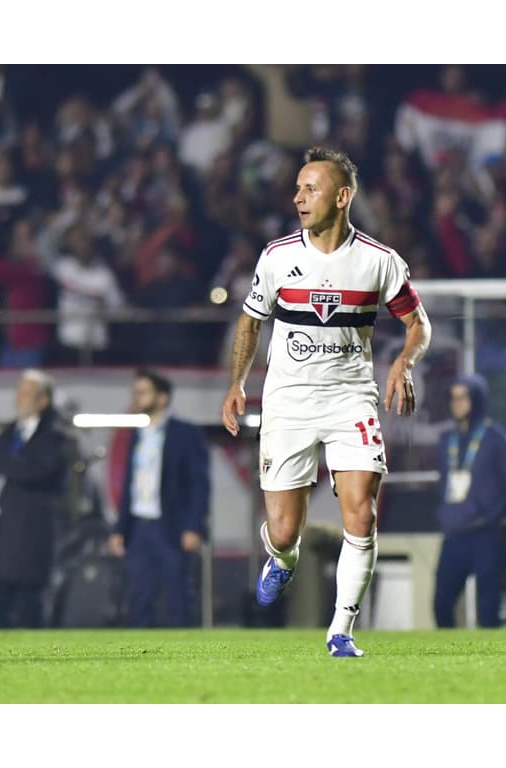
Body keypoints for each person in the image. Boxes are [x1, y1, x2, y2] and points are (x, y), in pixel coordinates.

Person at [221, 147, 432, 657]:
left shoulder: (378, 261)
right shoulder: (276, 257)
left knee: (361, 515)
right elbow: (251, 322)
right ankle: (283, 558)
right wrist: (236, 384)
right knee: (284, 529)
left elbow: (418, 324)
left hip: (350, 400)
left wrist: (404, 360)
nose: (298, 197)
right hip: (288, 401)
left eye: (310, 189)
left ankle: (341, 630)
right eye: (297, 188)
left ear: (343, 197)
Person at [0, 369, 72, 628]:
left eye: (26, 393)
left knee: (27, 602)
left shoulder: (54, 436)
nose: (19, 398)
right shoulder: (11, 432)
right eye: (19, 391)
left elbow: (34, 471)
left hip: (28, 530)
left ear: (43, 401)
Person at [109, 369, 210, 628]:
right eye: (135, 393)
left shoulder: (185, 433)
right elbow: (129, 484)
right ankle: (138, 658)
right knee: (139, 596)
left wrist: (193, 526)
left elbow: (199, 484)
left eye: (143, 392)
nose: (136, 398)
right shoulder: (135, 434)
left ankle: (187, 655)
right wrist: (120, 529)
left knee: (178, 595)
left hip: (172, 526)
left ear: (163, 398)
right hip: (140, 526)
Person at [433, 374, 506, 628]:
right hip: (454, 533)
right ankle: (446, 659)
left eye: (463, 397)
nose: (457, 404)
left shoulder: (495, 439)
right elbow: (445, 485)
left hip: (485, 533)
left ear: (477, 400)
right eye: (453, 398)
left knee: (488, 607)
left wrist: (496, 517)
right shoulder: (446, 440)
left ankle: (492, 662)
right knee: (441, 603)